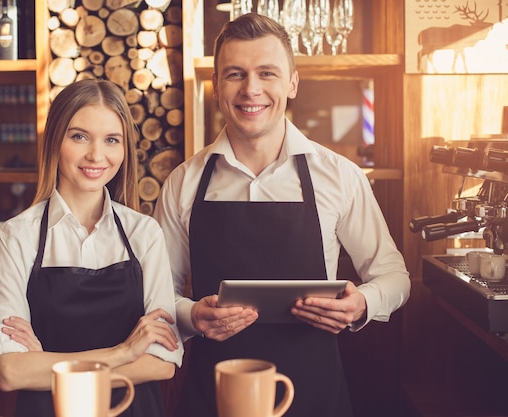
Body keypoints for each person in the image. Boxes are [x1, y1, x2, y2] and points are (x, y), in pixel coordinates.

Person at [153, 13, 410, 417]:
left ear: (292, 82)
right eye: (235, 74)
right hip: (212, 398)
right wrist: (191, 316)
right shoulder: (183, 182)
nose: (251, 89)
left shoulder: (338, 175)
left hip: (316, 395)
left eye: (267, 73)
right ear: (217, 86)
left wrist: (362, 303)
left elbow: (394, 275)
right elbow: (157, 295)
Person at [0, 79, 184, 417]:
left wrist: (46, 364)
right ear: (55, 141)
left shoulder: (144, 234)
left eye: (111, 140)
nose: (96, 155)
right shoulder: (15, 238)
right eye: (79, 136)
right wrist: (123, 353)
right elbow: (10, 372)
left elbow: (161, 364)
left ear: (124, 150)